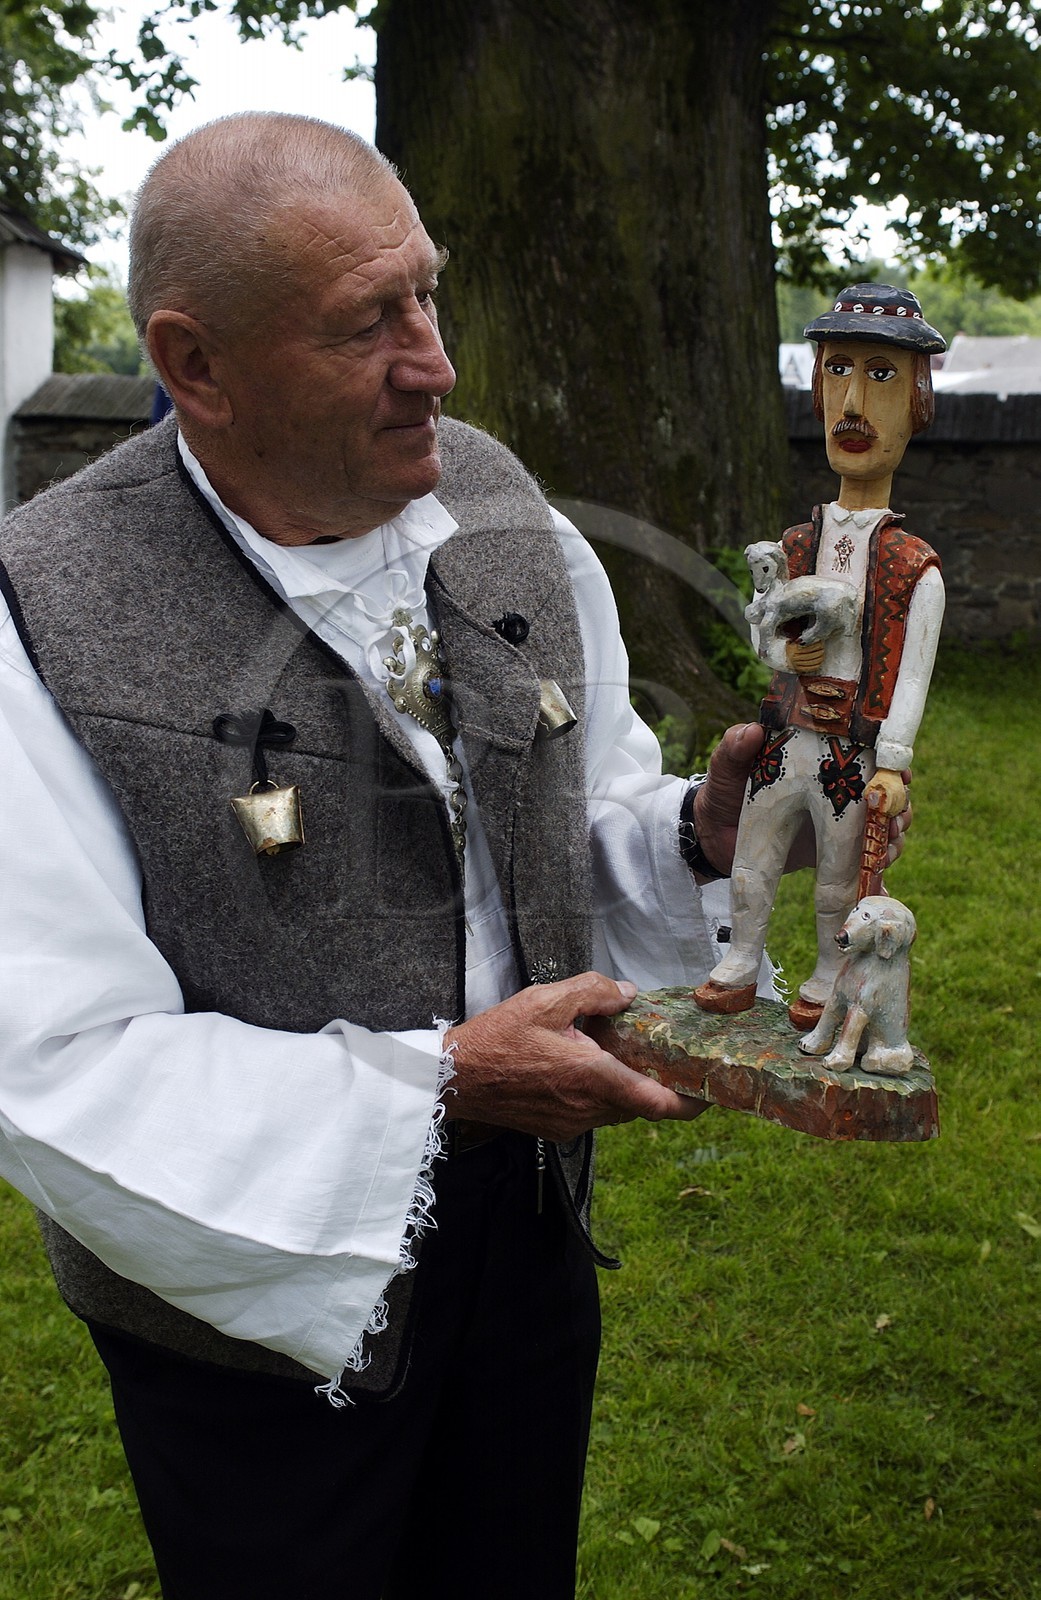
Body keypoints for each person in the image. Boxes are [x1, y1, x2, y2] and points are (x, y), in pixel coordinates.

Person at [0, 121, 901, 1598]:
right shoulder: (43, 606)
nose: (437, 364)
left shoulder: (493, 499)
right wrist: (440, 1087)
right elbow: (53, 1058)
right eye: (368, 322)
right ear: (195, 363)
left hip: (525, 1234)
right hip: (245, 1296)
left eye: (428, 292)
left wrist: (695, 835)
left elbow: (570, 815)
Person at [695, 284, 944, 1028]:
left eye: (880, 376)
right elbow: (765, 633)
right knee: (754, 854)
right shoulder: (795, 546)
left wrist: (893, 761)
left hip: (849, 749)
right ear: (816, 390)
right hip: (785, 737)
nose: (853, 404)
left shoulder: (912, 568)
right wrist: (780, 650)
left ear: (917, 402)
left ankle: (830, 970)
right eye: (838, 370)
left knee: (838, 878)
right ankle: (741, 957)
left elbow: (912, 674)